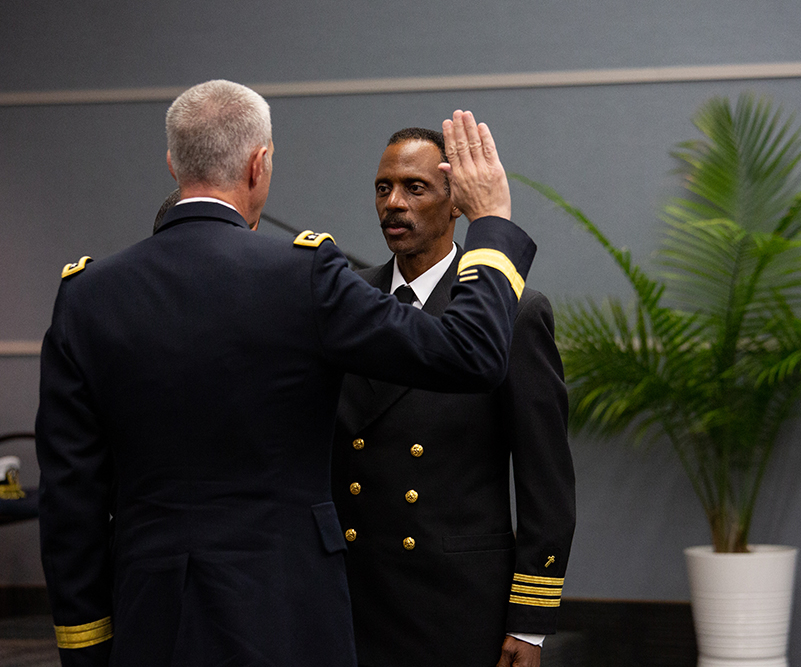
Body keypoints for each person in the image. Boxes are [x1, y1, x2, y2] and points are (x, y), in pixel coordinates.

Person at [36, 80, 537, 667]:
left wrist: (86, 644)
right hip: (284, 612)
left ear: (173, 162)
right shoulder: (302, 275)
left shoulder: (86, 294)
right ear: (259, 163)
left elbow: (70, 497)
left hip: (149, 613)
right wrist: (491, 223)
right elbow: (470, 352)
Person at [331, 128, 576, 667]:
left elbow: (545, 482)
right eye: (383, 188)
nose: (394, 203)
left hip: (452, 600)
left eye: (415, 188)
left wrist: (530, 621)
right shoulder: (347, 300)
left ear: (457, 204)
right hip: (353, 591)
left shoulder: (512, 311)